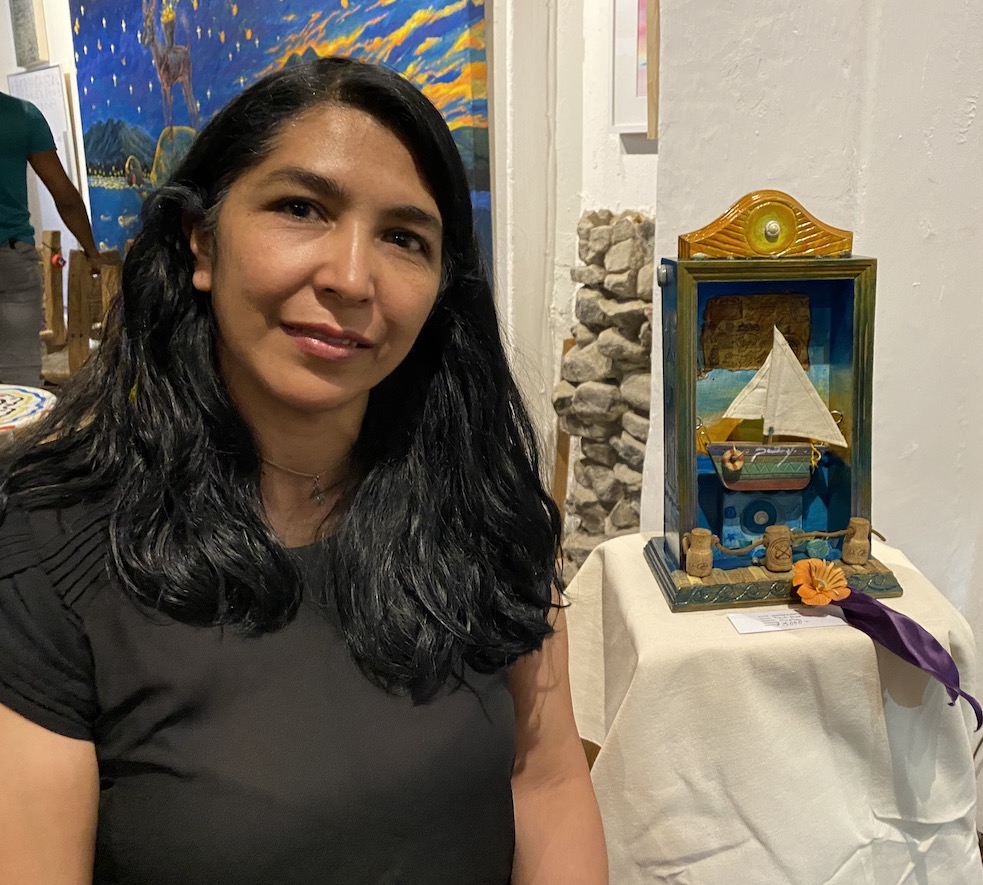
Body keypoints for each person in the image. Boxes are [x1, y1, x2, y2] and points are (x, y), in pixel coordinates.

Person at [0, 57, 608, 884]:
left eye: (404, 238)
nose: (351, 278)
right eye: (301, 208)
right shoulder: (51, 554)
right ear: (202, 241)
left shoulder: (482, 508)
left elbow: (547, 780)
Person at [0, 90, 103, 387]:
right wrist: (92, 252)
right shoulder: (22, 115)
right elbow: (65, 196)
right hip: (12, 260)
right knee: (21, 381)